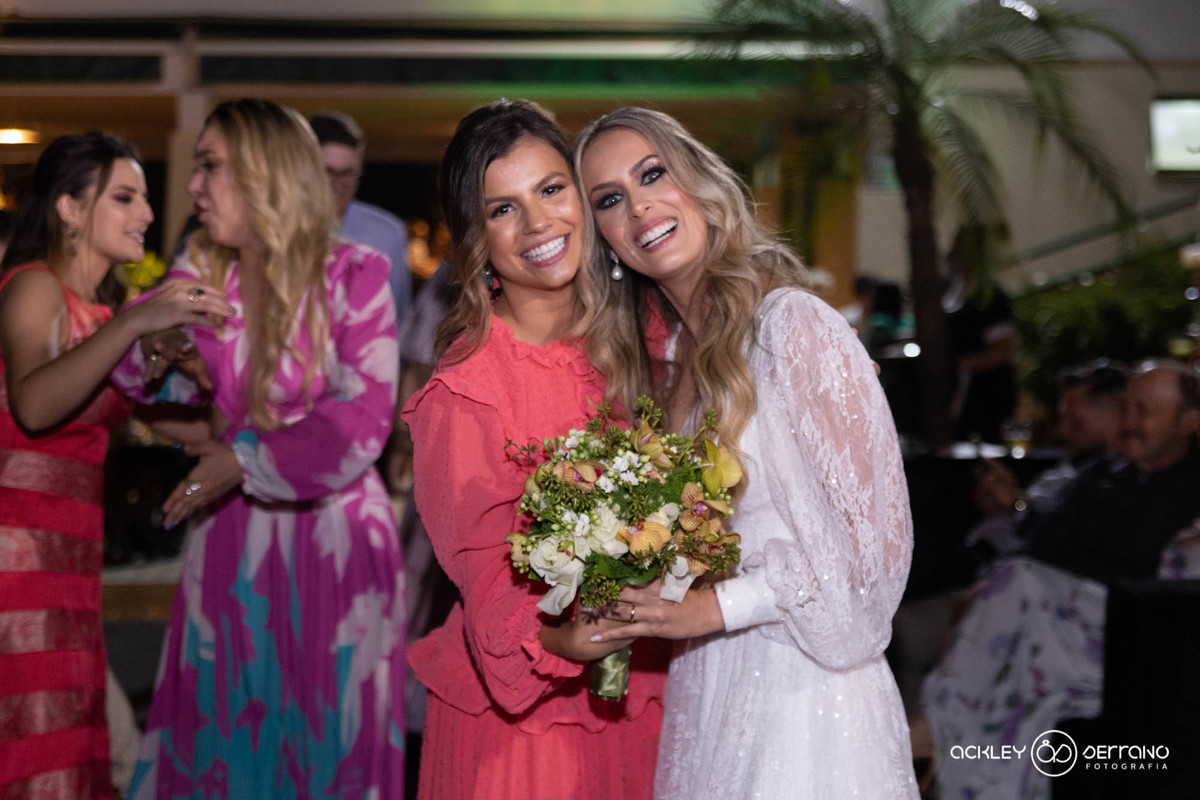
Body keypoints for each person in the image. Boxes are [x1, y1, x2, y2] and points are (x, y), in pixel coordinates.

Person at [576, 107, 918, 798]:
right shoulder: (672, 363)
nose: (638, 208)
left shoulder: (794, 327)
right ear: (604, 240)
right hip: (710, 687)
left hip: (809, 701)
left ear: (699, 181)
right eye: (609, 200)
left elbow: (874, 563)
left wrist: (716, 609)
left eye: (652, 175)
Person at [108, 99, 406, 798]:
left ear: (262, 173)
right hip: (234, 539)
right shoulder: (202, 272)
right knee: (224, 736)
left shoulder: (354, 274)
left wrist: (242, 458)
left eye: (210, 166)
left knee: (326, 745)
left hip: (335, 541)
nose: (193, 185)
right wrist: (159, 344)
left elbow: (362, 415)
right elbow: (140, 383)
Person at [401, 99, 667, 800]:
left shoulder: (650, 336)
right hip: (527, 739)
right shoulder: (469, 391)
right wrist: (560, 640)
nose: (538, 222)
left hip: (654, 694)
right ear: (476, 238)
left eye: (551, 189)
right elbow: (484, 575)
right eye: (503, 209)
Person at [0, 132, 232, 799]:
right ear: (70, 208)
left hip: (69, 563)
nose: (148, 215)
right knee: (40, 756)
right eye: (126, 198)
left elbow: (200, 430)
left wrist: (202, 370)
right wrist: (133, 325)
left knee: (76, 753)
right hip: (15, 564)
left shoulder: (102, 318)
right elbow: (34, 404)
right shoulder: (34, 287)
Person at [916, 363, 1200, 800]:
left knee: (1018, 583)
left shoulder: (1189, 490)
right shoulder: (1105, 475)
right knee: (1009, 588)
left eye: (1143, 411)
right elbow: (1044, 540)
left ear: (1189, 421)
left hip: (1118, 635)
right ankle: (942, 743)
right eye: (1126, 409)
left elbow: (1127, 566)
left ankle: (930, 732)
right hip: (1046, 615)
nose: (1129, 422)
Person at [968, 364, 1127, 557]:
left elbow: (1061, 541)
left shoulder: (1119, 481)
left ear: (1115, 416)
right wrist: (1001, 502)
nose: (1063, 431)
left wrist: (1016, 505)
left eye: (1075, 420)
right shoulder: (1077, 466)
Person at [309, 110, 412, 326]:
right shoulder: (277, 229)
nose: (338, 183)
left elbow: (398, 318)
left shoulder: (387, 233)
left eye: (348, 173)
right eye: (328, 171)